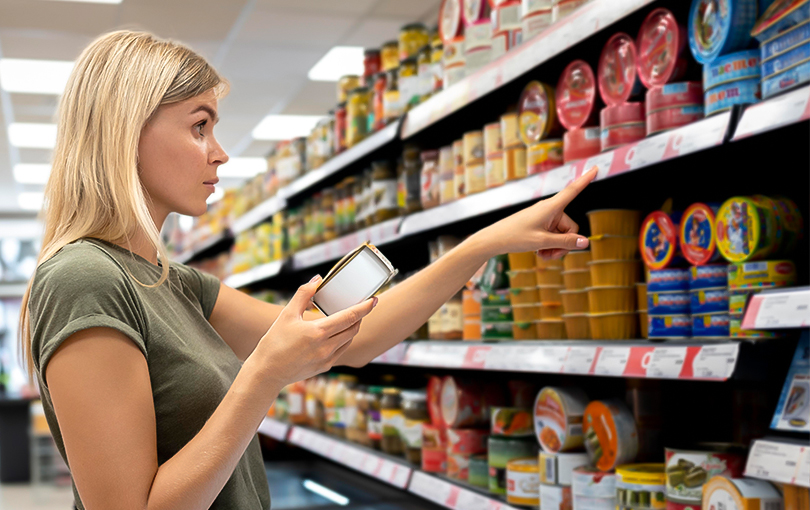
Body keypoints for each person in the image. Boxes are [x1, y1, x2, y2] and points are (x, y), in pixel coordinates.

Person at [18, 30, 596, 510]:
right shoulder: (84, 279)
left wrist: (481, 245)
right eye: (200, 126)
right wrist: (263, 376)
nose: (220, 152)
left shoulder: (171, 280)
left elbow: (354, 339)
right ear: (126, 133)